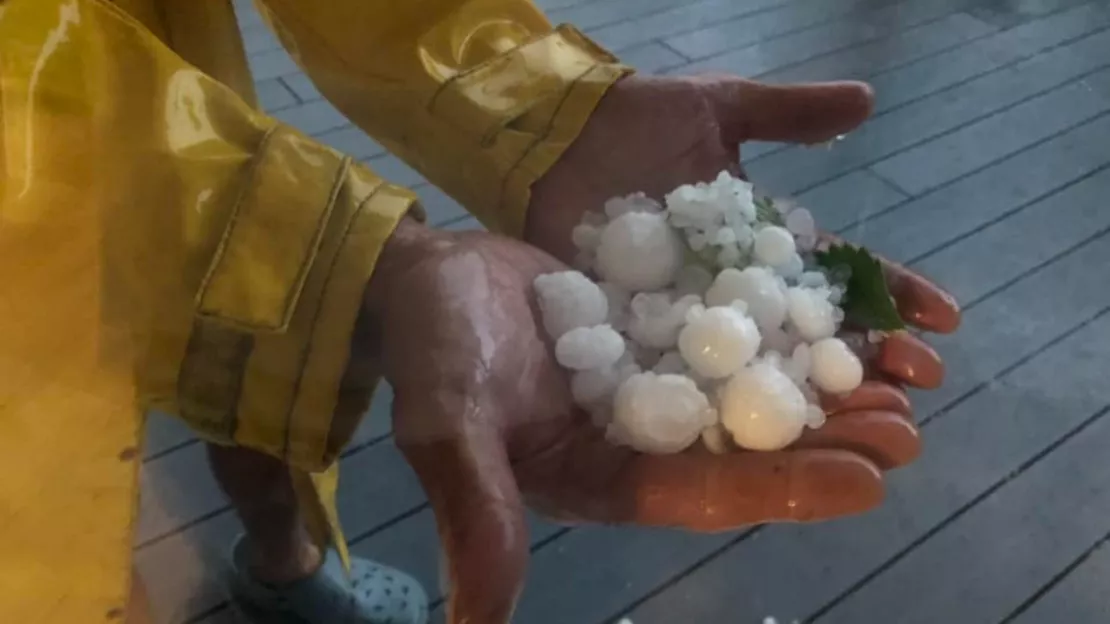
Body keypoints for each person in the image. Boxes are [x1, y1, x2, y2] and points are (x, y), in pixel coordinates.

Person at [0, 1, 959, 623]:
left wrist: (543, 104)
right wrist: (336, 256)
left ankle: (283, 560)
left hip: (151, 71)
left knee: (243, 324)